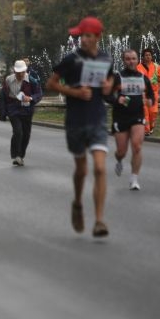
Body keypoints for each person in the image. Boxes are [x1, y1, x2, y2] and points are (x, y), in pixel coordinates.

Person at [46, 17, 114, 238]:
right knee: (82, 170)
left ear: (97, 37)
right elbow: (51, 83)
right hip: (75, 120)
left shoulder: (105, 58)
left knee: (101, 168)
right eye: (81, 35)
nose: (83, 39)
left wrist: (108, 87)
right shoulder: (71, 60)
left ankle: (99, 220)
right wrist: (75, 92)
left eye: (87, 35)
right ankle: (77, 203)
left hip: (97, 119)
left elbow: (110, 81)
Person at [110, 50, 154, 191]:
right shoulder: (118, 77)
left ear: (137, 60)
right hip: (120, 117)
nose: (131, 61)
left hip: (137, 116)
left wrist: (149, 101)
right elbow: (107, 95)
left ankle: (134, 179)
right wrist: (118, 99)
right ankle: (119, 160)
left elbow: (151, 97)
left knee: (137, 146)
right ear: (124, 60)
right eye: (128, 59)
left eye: (133, 59)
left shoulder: (143, 77)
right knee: (121, 151)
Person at [0, 60, 42, 166]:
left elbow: (39, 93)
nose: (20, 74)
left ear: (25, 71)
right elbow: (3, 96)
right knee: (18, 132)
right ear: (14, 71)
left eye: (22, 72)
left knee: (26, 134)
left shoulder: (31, 80)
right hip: (13, 108)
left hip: (27, 110)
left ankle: (20, 156)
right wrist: (2, 113)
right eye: (18, 72)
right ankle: (15, 154)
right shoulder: (8, 80)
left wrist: (31, 98)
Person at [137, 48, 160, 136]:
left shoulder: (157, 67)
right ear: (143, 56)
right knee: (145, 112)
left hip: (154, 93)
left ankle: (151, 126)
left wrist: (158, 77)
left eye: (149, 55)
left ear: (151, 56)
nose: (148, 57)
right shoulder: (138, 67)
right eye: (146, 55)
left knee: (153, 112)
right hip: (143, 93)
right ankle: (147, 130)